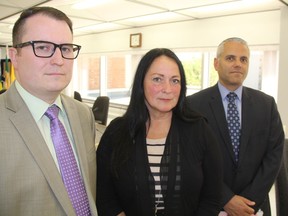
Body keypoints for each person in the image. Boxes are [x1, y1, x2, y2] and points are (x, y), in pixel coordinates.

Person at [96, 48, 223, 216]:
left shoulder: (199, 130)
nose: (168, 89)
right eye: (157, 79)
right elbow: (104, 194)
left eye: (175, 81)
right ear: (141, 82)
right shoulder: (117, 132)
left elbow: (212, 197)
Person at [0, 7, 97, 215]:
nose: (59, 60)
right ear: (14, 56)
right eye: (43, 47)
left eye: (66, 48)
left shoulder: (83, 114)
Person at [185, 37, 285, 216]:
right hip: (210, 205)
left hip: (255, 207)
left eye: (243, 59)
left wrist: (248, 202)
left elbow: (274, 156)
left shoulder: (266, 104)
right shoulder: (193, 105)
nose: (238, 64)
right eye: (230, 58)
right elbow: (192, 158)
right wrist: (226, 199)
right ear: (216, 63)